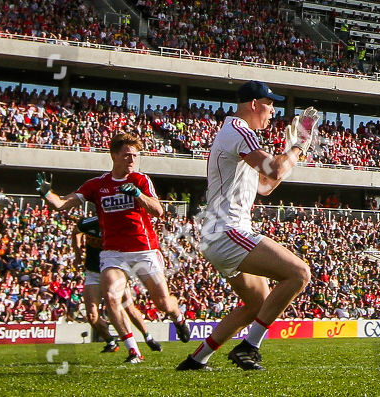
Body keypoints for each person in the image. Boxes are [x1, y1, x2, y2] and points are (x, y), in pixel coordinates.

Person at [176, 81, 317, 372]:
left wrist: (292, 153)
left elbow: (265, 185)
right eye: (269, 105)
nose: (272, 111)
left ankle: (196, 359)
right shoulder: (239, 130)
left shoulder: (237, 134)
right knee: (299, 273)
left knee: (257, 303)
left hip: (220, 233)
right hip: (228, 231)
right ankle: (250, 347)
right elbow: (275, 168)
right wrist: (299, 145)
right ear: (254, 104)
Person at [39, 132, 191, 364]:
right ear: (114, 156)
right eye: (127, 155)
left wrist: (138, 195)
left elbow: (158, 211)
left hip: (144, 249)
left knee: (162, 303)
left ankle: (178, 317)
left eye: (135, 156)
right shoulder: (97, 185)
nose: (132, 160)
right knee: (111, 296)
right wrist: (46, 193)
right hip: (113, 253)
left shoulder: (140, 180)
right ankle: (133, 350)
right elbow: (62, 204)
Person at [73, 216, 160, 353]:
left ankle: (147, 337)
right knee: (92, 316)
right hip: (93, 273)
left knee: (128, 307)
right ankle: (111, 341)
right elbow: (76, 230)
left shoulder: (120, 224)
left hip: (114, 272)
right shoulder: (90, 222)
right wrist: (77, 253)